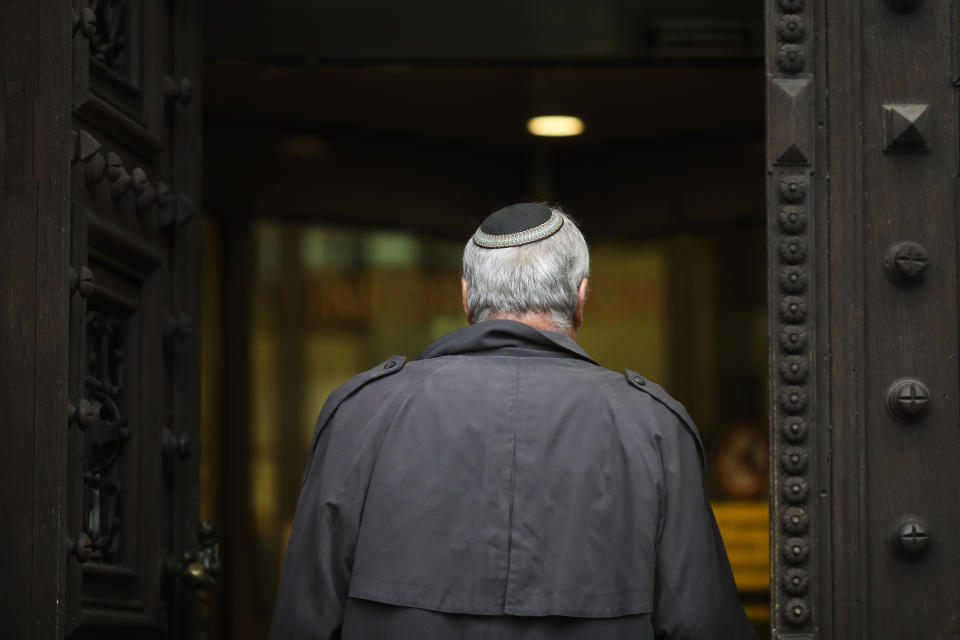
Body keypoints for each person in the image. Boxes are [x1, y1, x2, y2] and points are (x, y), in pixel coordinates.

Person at [269, 203, 757, 639]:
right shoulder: (653, 427)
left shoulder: (361, 413)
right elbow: (699, 623)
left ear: (465, 297)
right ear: (581, 297)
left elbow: (305, 620)